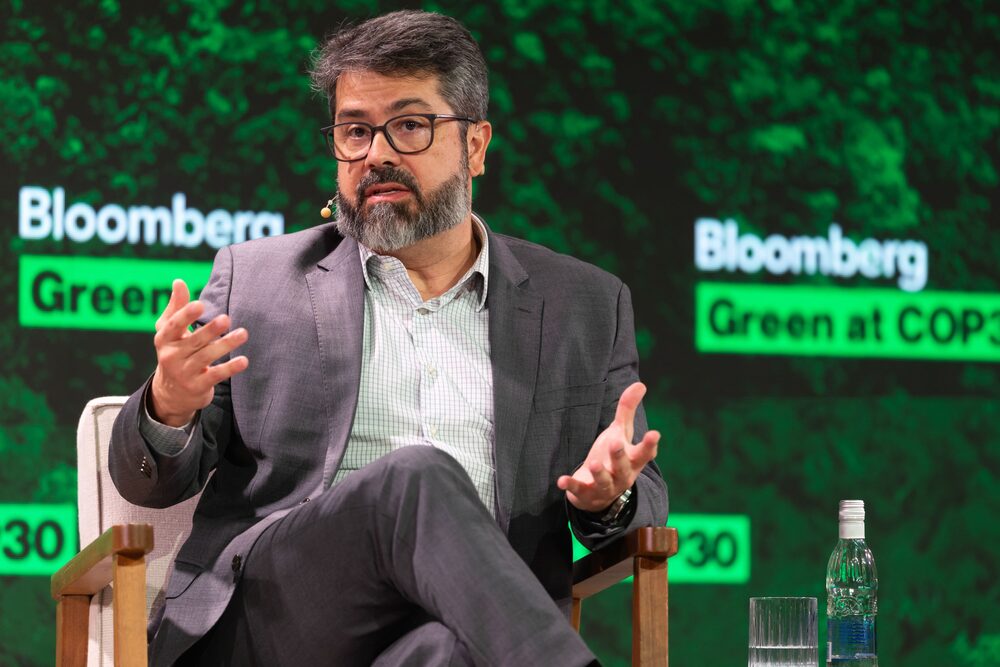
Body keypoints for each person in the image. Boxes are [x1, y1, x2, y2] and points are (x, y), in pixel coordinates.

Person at [109, 9, 668, 666]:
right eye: (354, 130)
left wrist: (612, 495)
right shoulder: (255, 281)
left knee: (446, 651)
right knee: (416, 475)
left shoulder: (582, 306)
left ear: (476, 146)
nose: (375, 153)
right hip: (278, 622)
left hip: (466, 625)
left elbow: (642, 504)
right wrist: (169, 403)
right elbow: (144, 483)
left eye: (408, 125)